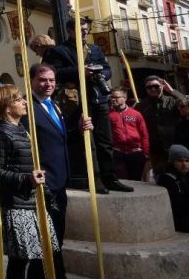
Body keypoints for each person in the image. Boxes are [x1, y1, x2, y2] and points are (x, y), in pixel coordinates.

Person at [26, 63, 94, 279]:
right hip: (44, 186)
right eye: (43, 80)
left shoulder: (54, 105)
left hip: (60, 184)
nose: (49, 84)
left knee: (58, 242)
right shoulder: (28, 110)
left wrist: (80, 129)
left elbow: (59, 139)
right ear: (32, 80)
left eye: (52, 80)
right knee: (47, 243)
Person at [0, 85, 58, 279]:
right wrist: (25, 179)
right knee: (20, 262)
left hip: (35, 202)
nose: (25, 103)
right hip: (17, 205)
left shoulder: (23, 129)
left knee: (41, 261)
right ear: (7, 105)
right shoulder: (1, 133)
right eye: (19, 100)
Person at [44, 17, 132, 193]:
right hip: (76, 101)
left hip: (99, 99)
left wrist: (100, 74)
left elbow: (107, 68)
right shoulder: (59, 51)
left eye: (86, 29)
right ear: (70, 31)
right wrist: (80, 72)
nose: (85, 32)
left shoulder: (95, 49)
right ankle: (94, 178)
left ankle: (110, 177)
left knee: (104, 141)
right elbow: (54, 72)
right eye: (80, 29)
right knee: (86, 141)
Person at [135, 76, 186, 176]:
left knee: (180, 174)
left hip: (175, 145)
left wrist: (172, 90)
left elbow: (186, 103)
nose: (153, 89)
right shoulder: (141, 105)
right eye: (149, 87)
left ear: (162, 86)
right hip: (155, 149)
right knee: (160, 175)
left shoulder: (172, 101)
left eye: (156, 86)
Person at [109, 88, 150, 182]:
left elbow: (144, 133)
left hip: (136, 152)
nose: (113, 99)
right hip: (118, 152)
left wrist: (146, 152)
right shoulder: (108, 115)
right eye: (112, 97)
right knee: (122, 180)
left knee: (136, 180)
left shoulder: (136, 114)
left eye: (116, 97)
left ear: (125, 98)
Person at [157, 145, 189, 233]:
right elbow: (177, 205)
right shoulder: (167, 179)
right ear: (172, 162)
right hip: (179, 220)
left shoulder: (185, 176)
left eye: (187, 161)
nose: (184, 164)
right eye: (180, 161)